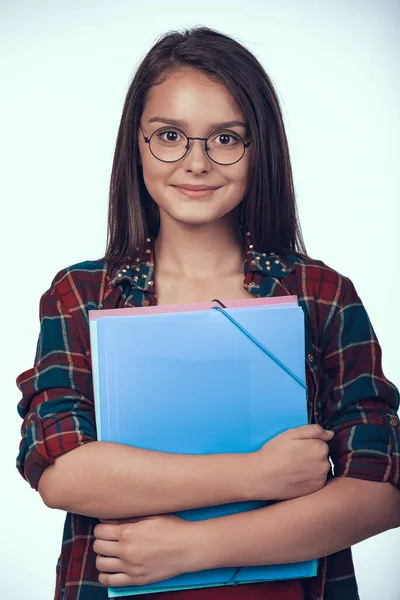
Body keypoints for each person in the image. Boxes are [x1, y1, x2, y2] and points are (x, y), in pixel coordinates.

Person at [16, 26, 400, 600]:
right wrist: (255, 475)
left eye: (225, 138)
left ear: (258, 148)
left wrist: (192, 548)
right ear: (136, 145)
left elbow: (380, 490)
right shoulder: (83, 294)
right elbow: (62, 470)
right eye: (169, 135)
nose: (196, 162)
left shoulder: (321, 293)